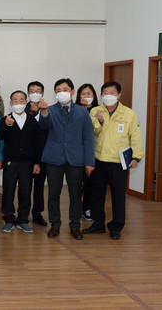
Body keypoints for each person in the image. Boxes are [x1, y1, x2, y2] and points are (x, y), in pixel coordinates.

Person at [82, 81, 144, 240]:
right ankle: (98, 224)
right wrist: (100, 121)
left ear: (119, 95)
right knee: (97, 194)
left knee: (118, 195)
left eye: (112, 93)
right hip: (99, 160)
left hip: (118, 162)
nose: (108, 96)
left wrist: (137, 157)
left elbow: (135, 136)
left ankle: (116, 226)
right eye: (105, 93)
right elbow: (92, 133)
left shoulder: (129, 113)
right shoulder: (95, 111)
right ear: (101, 95)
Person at [38, 78, 95, 240]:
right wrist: (43, 113)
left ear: (72, 91)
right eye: (58, 90)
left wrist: (89, 161)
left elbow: (88, 137)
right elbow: (44, 126)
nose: (61, 92)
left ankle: (75, 225)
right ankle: (55, 224)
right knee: (53, 193)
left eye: (64, 89)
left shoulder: (82, 111)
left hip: (76, 159)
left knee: (75, 193)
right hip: (54, 158)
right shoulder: (49, 109)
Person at [0, 91, 42, 233]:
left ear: (26, 102)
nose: (18, 103)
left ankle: (23, 220)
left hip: (27, 163)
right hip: (10, 161)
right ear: (10, 103)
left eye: (21, 100)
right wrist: (8, 125)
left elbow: (37, 143)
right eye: (15, 101)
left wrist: (36, 162)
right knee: (8, 191)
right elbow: (1, 136)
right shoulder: (5, 119)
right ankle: (9, 219)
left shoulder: (32, 121)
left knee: (25, 191)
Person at [75, 83, 99, 221]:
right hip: (78, 152)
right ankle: (76, 209)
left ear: (94, 95)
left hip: (95, 152)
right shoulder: (75, 110)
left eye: (88, 93)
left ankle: (87, 208)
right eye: (83, 94)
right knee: (77, 183)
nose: (86, 96)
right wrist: (83, 109)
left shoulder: (99, 110)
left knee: (91, 183)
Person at [25, 81, 49, 226]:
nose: (35, 93)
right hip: (26, 155)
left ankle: (37, 213)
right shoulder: (22, 108)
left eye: (38, 90)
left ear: (42, 94)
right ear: (28, 93)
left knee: (39, 186)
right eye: (32, 90)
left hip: (42, 154)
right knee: (25, 186)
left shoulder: (47, 109)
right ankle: (23, 213)